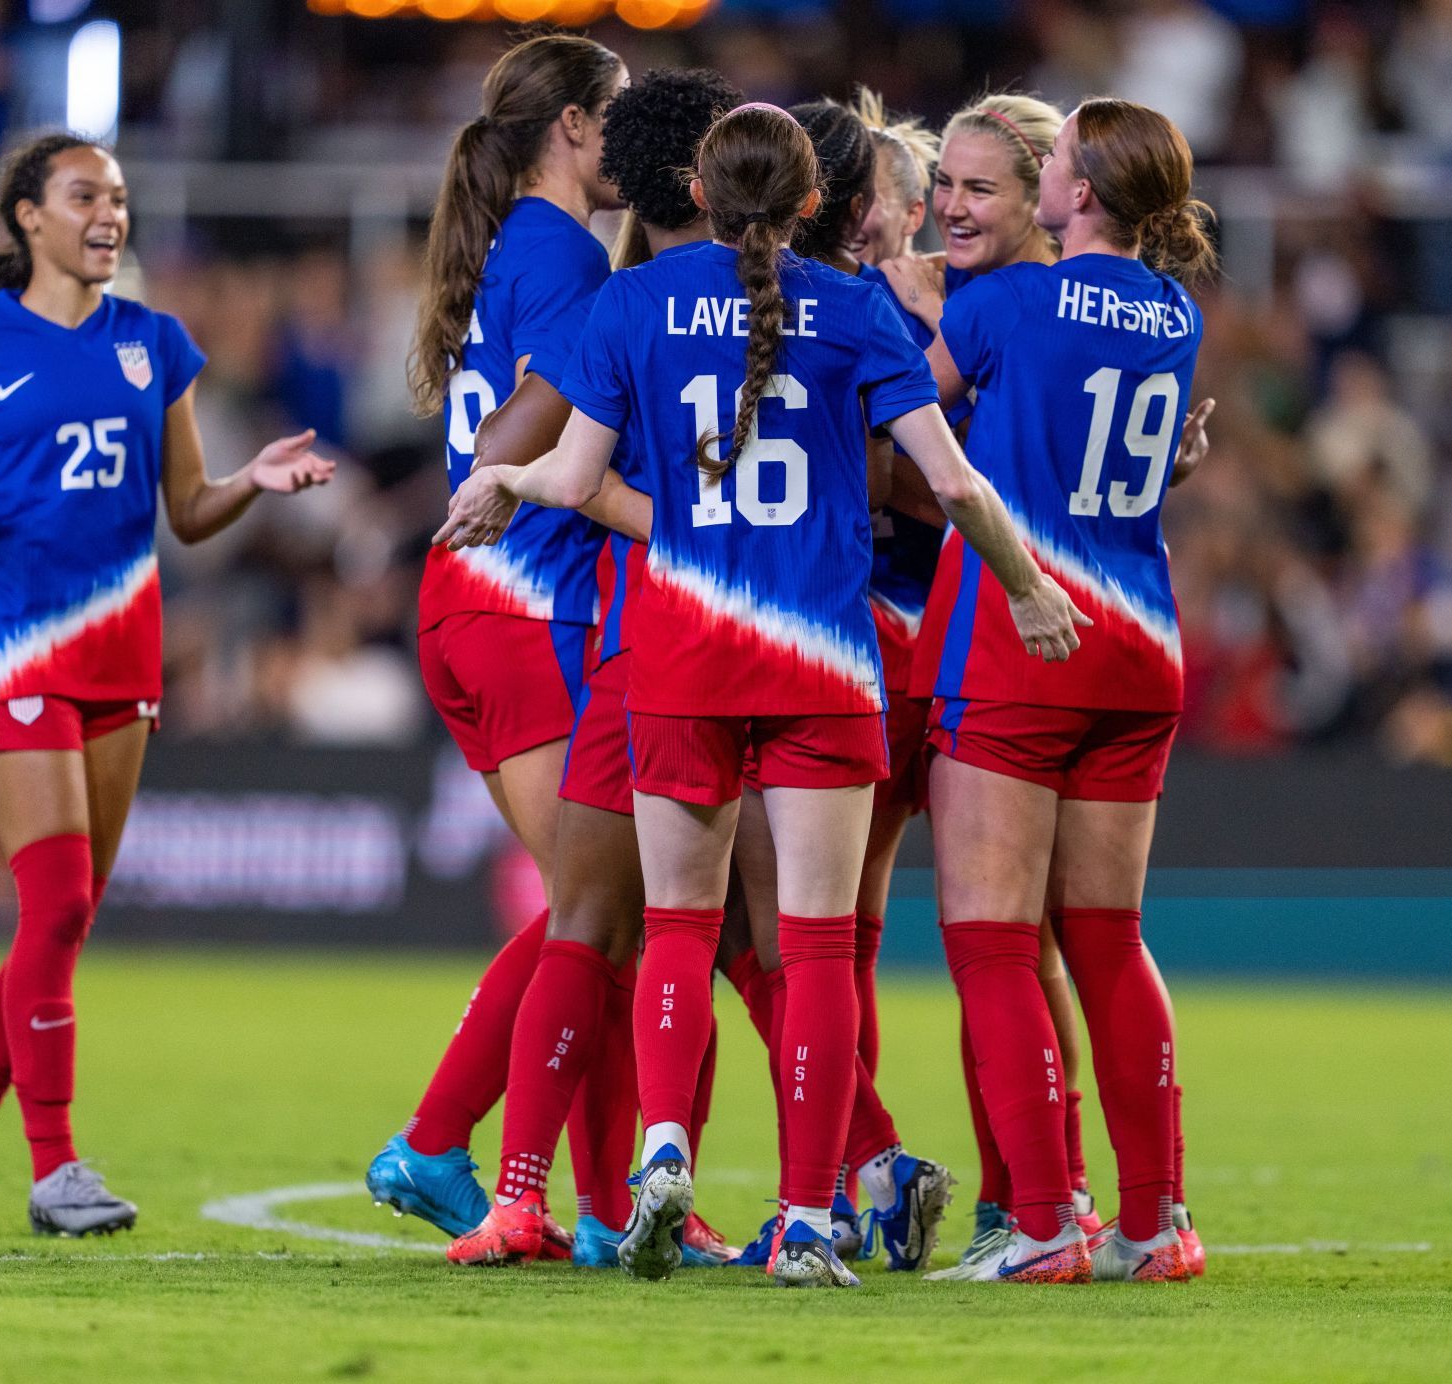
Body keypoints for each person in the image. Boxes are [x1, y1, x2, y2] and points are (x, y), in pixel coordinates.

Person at [438, 102, 1085, 1288]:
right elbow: (954, 482)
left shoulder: (631, 303)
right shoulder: (855, 312)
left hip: (680, 657)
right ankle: (804, 1218)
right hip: (822, 665)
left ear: (697, 183)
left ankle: (663, 1150)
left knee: (679, 927)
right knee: (819, 944)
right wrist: (1032, 588)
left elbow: (574, 478)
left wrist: (500, 483)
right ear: (812, 204)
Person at [0, 134, 333, 1235]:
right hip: (20, 649)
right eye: (86, 195)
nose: (109, 214)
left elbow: (186, 509)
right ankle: (56, 1168)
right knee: (60, 902)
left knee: (61, 920)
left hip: (124, 655)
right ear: (28, 216)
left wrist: (251, 484)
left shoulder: (153, 344)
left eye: (120, 199)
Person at [883, 92, 1209, 1282]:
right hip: (1140, 648)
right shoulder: (1176, 313)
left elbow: (904, 415)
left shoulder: (1010, 304)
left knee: (991, 941)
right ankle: (1154, 1221)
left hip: (1027, 641)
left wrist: (923, 309)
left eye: (1056, 159)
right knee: (1111, 939)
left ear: (1072, 194)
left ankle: (1038, 1228)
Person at [440, 65, 743, 1270]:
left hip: (561, 616)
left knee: (614, 922)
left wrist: (509, 484)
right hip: (611, 621)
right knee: (680, 925)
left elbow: (533, 456)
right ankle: (663, 1195)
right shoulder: (603, 271)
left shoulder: (591, 278)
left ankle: (553, 1191)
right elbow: (522, 454)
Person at [362, 34, 631, 1251]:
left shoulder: (511, 244)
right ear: (574, 128)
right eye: (616, 118)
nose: (629, 143)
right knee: (600, 902)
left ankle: (590, 1207)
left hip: (474, 609)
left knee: (604, 909)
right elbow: (546, 393)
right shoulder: (566, 248)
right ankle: (439, 1139)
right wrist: (500, 480)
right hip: (527, 603)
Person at [717, 97, 951, 1277]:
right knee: (837, 933)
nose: (928, 216)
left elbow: (918, 483)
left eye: (932, 198)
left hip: (849, 639)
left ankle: (850, 1173)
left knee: (773, 934)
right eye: (918, 197)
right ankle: (885, 1178)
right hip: (905, 646)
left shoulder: (867, 314)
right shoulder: (884, 311)